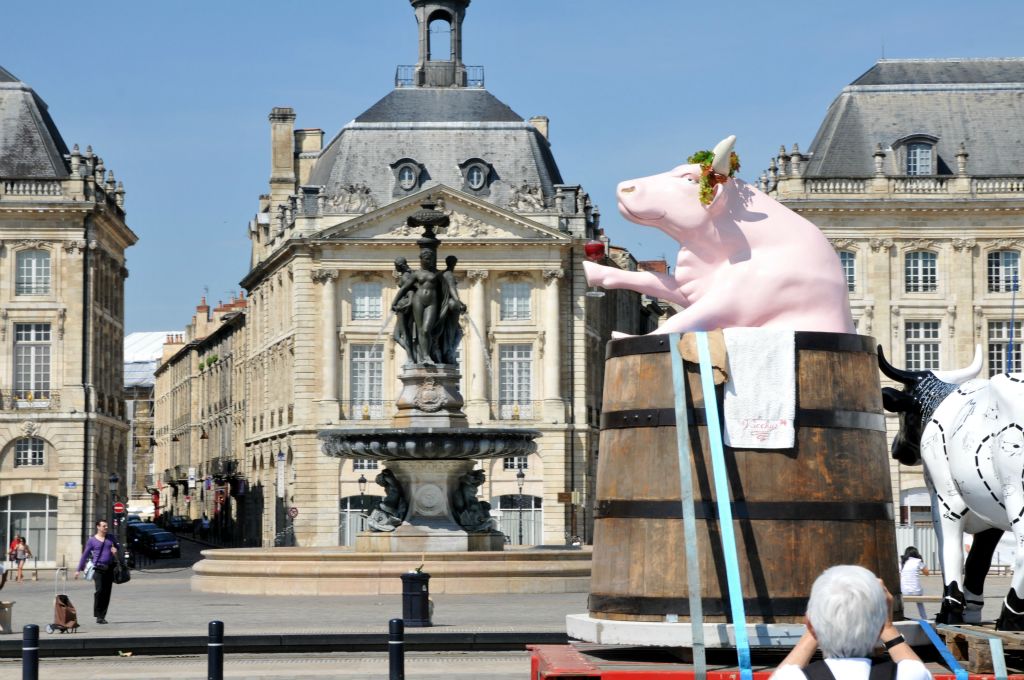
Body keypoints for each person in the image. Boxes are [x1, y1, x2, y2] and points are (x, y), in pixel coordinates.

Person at [772, 565, 931, 680]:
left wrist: (818, 624)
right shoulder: (909, 674)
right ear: (881, 626)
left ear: (811, 625)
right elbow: (917, 669)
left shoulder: (791, 676)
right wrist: (888, 628)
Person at [74, 519, 120, 624]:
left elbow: (117, 549)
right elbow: (85, 555)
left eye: (107, 526)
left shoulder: (111, 538)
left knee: (107, 593)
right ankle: (98, 614)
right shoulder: (92, 540)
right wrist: (78, 569)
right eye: (104, 526)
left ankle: (102, 616)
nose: (106, 528)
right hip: (98, 569)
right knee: (99, 591)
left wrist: (115, 551)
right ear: (98, 527)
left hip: (109, 568)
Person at [900, 546, 930, 619]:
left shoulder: (902, 563)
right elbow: (927, 573)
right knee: (919, 602)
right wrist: (922, 562)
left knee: (900, 599)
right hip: (916, 592)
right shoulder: (918, 561)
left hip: (904, 591)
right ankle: (924, 617)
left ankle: (901, 615)